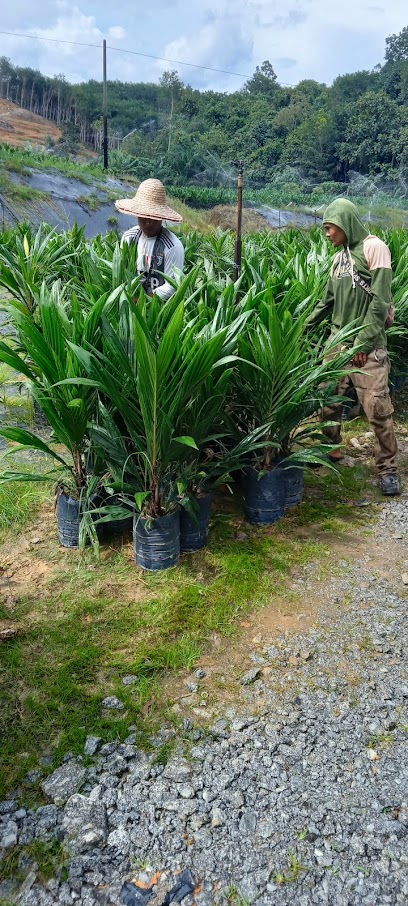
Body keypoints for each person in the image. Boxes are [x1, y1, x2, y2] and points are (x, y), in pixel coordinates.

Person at [307, 198, 400, 496]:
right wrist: (301, 328)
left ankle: (388, 468)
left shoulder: (375, 249)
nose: (327, 234)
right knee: (328, 399)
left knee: (377, 408)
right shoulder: (338, 259)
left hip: (367, 348)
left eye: (330, 228)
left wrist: (363, 342)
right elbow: (327, 302)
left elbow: (380, 301)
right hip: (337, 342)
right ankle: (331, 449)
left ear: (345, 224)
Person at [115, 178, 184, 301]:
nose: (148, 223)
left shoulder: (172, 246)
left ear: (162, 217)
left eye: (153, 217)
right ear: (136, 214)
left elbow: (172, 286)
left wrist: (143, 300)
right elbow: (121, 272)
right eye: (144, 216)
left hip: (160, 308)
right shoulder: (129, 238)